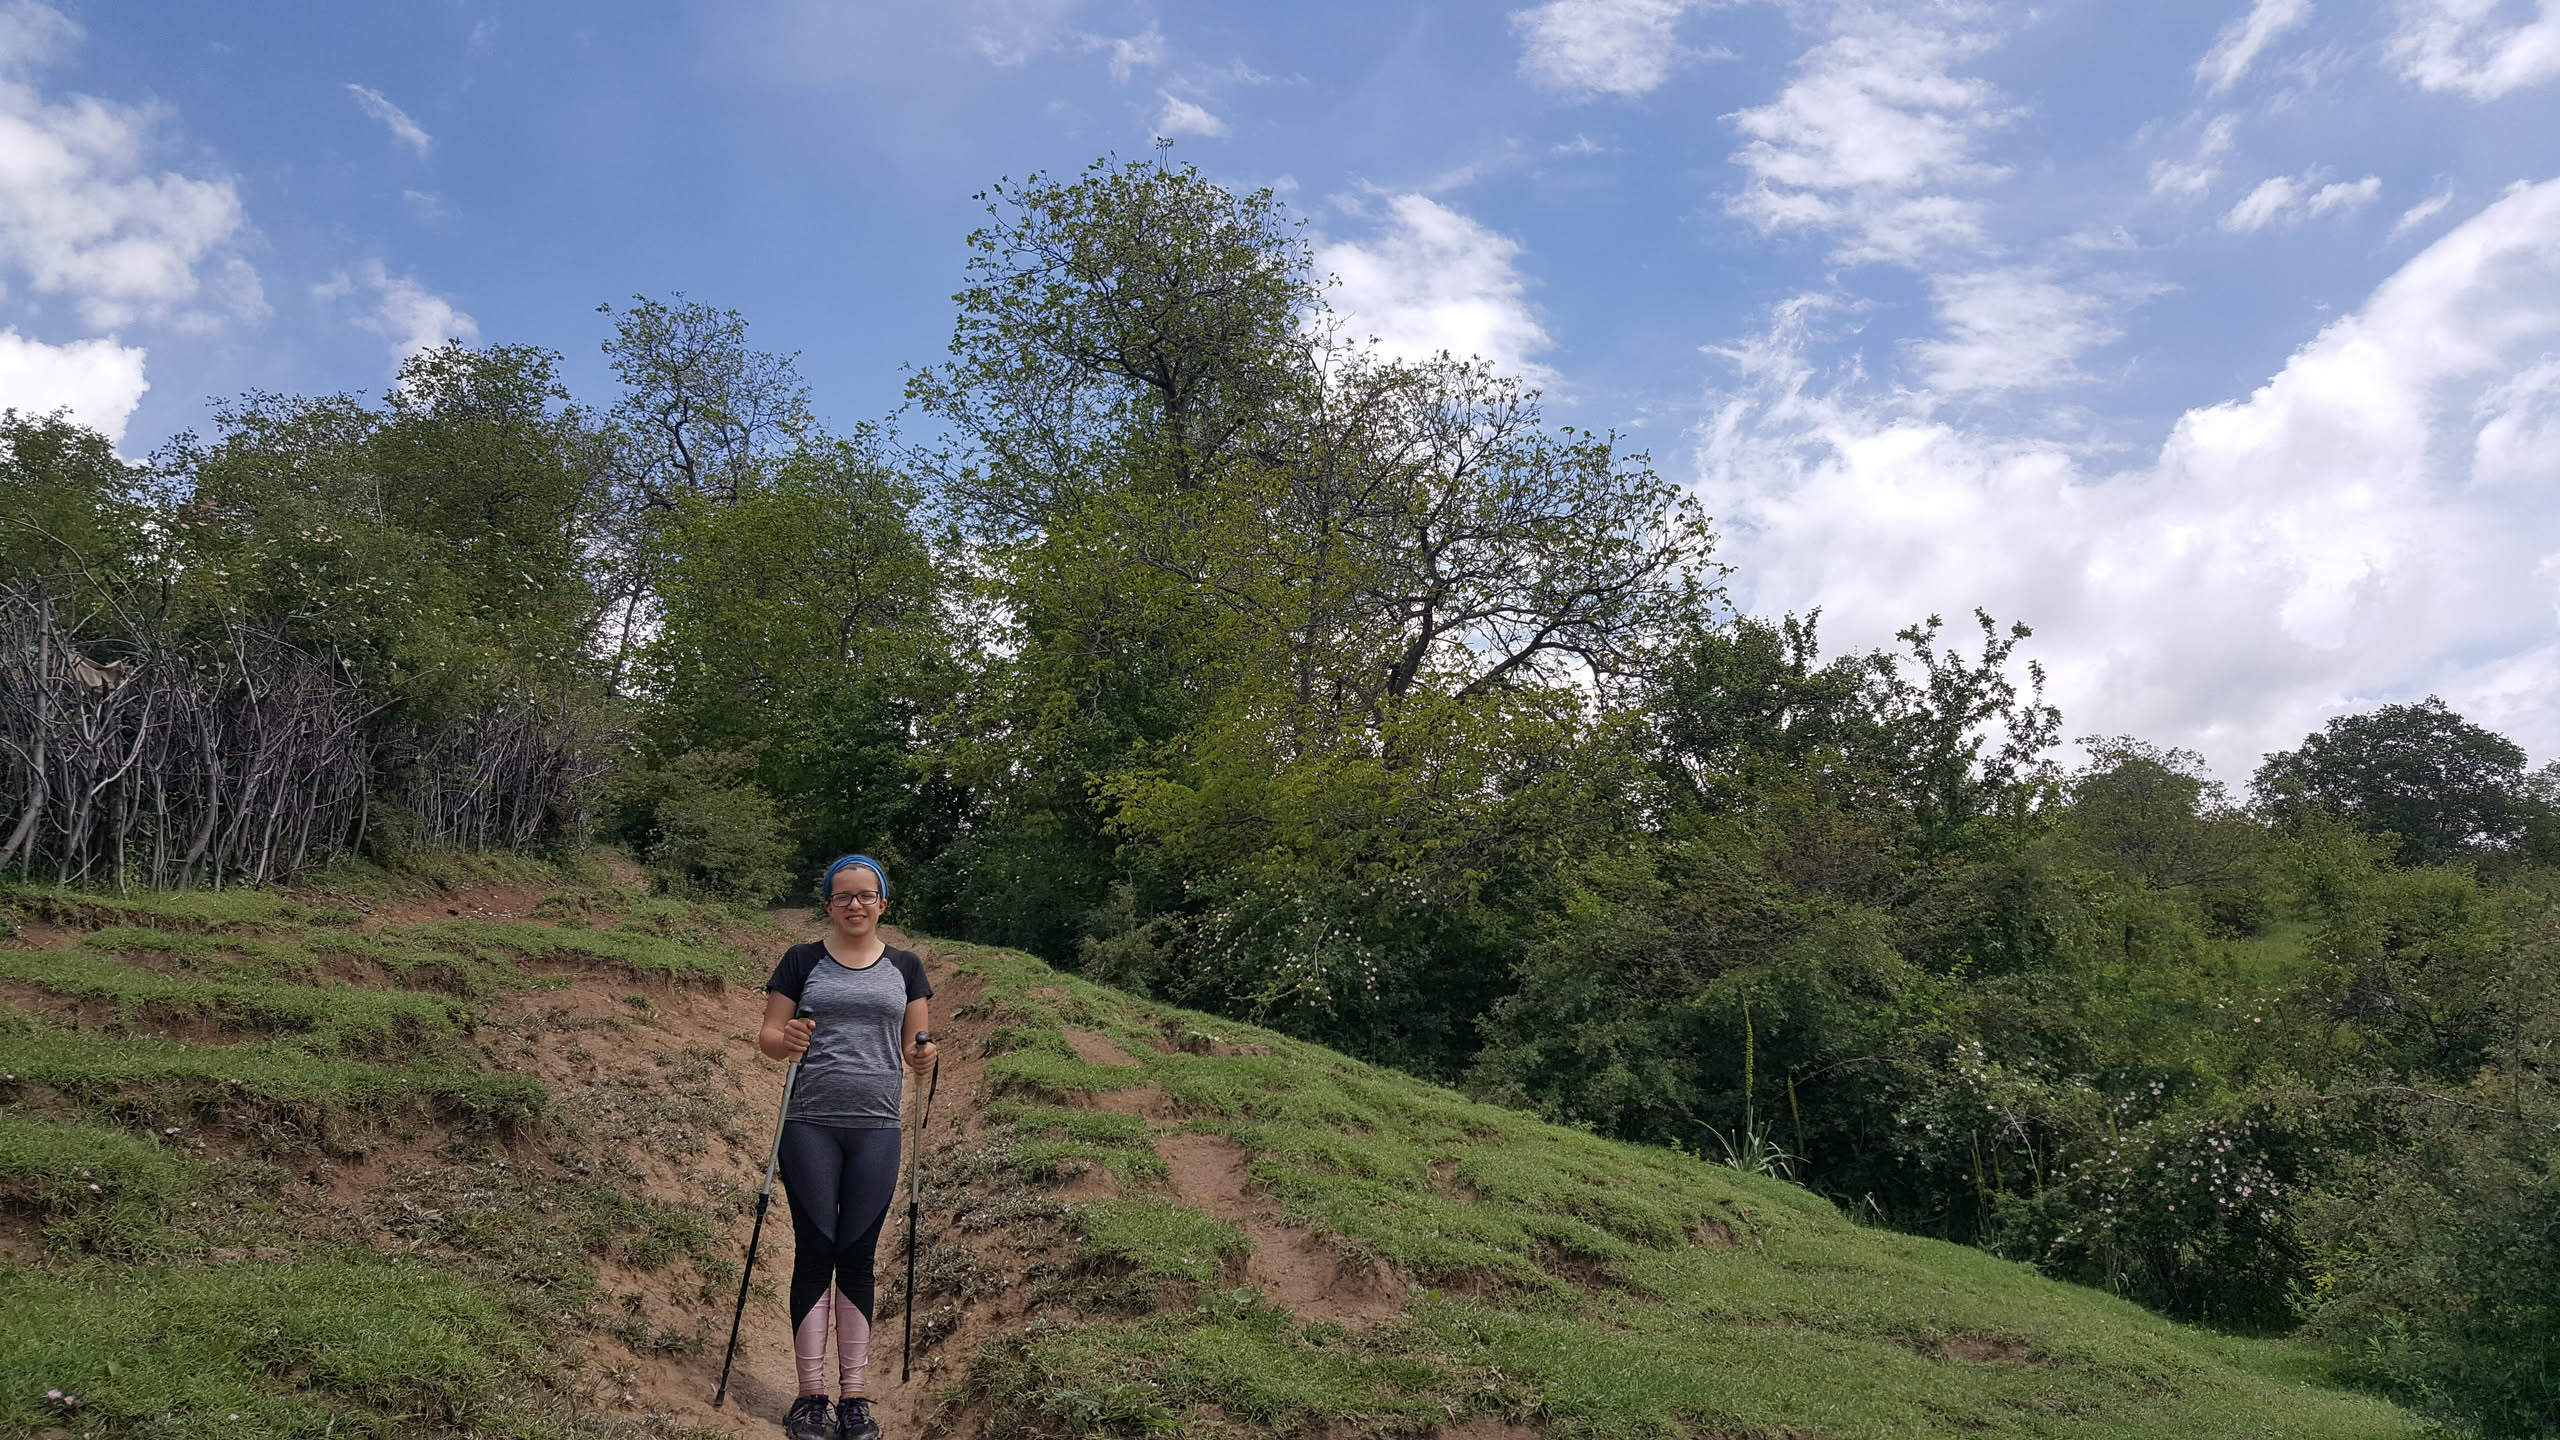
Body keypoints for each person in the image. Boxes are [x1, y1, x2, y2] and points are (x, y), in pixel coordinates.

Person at [757, 855, 939, 1440]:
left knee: (858, 1257)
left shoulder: (906, 967)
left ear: (883, 903)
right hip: (808, 1123)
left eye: (865, 895)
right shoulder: (801, 960)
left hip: (877, 1128)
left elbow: (916, 1044)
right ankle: (811, 1397)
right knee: (816, 1250)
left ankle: (854, 1398)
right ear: (829, 905)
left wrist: (925, 1056)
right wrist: (785, 1038)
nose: (854, 905)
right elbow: (769, 1038)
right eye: (843, 896)